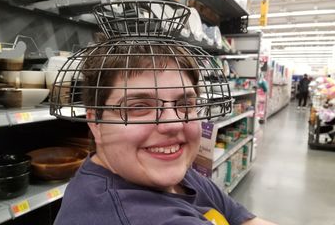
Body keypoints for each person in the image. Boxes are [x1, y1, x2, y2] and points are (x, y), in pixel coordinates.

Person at [53, 40, 277, 225]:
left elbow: (244, 219)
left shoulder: (173, 171)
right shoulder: (132, 216)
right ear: (95, 123)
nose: (173, 123)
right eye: (139, 107)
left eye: (185, 104)